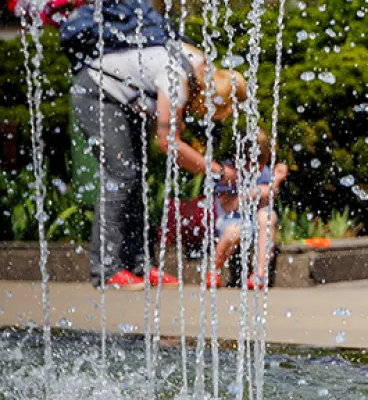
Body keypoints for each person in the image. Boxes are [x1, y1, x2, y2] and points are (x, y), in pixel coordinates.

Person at [72, 29, 246, 289]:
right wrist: (218, 171)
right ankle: (107, 270)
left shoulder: (199, 66)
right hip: (97, 93)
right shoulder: (178, 79)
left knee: (137, 177)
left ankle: (139, 264)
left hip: (123, 102)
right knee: (121, 175)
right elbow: (169, 144)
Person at [207, 128, 287, 290]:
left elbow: (267, 202)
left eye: (261, 163)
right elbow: (227, 206)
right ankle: (213, 270)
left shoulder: (263, 173)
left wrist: (275, 181)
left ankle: (259, 273)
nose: (256, 168)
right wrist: (253, 193)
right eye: (253, 162)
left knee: (268, 218)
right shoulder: (227, 173)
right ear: (238, 157)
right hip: (230, 220)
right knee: (236, 230)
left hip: (254, 221)